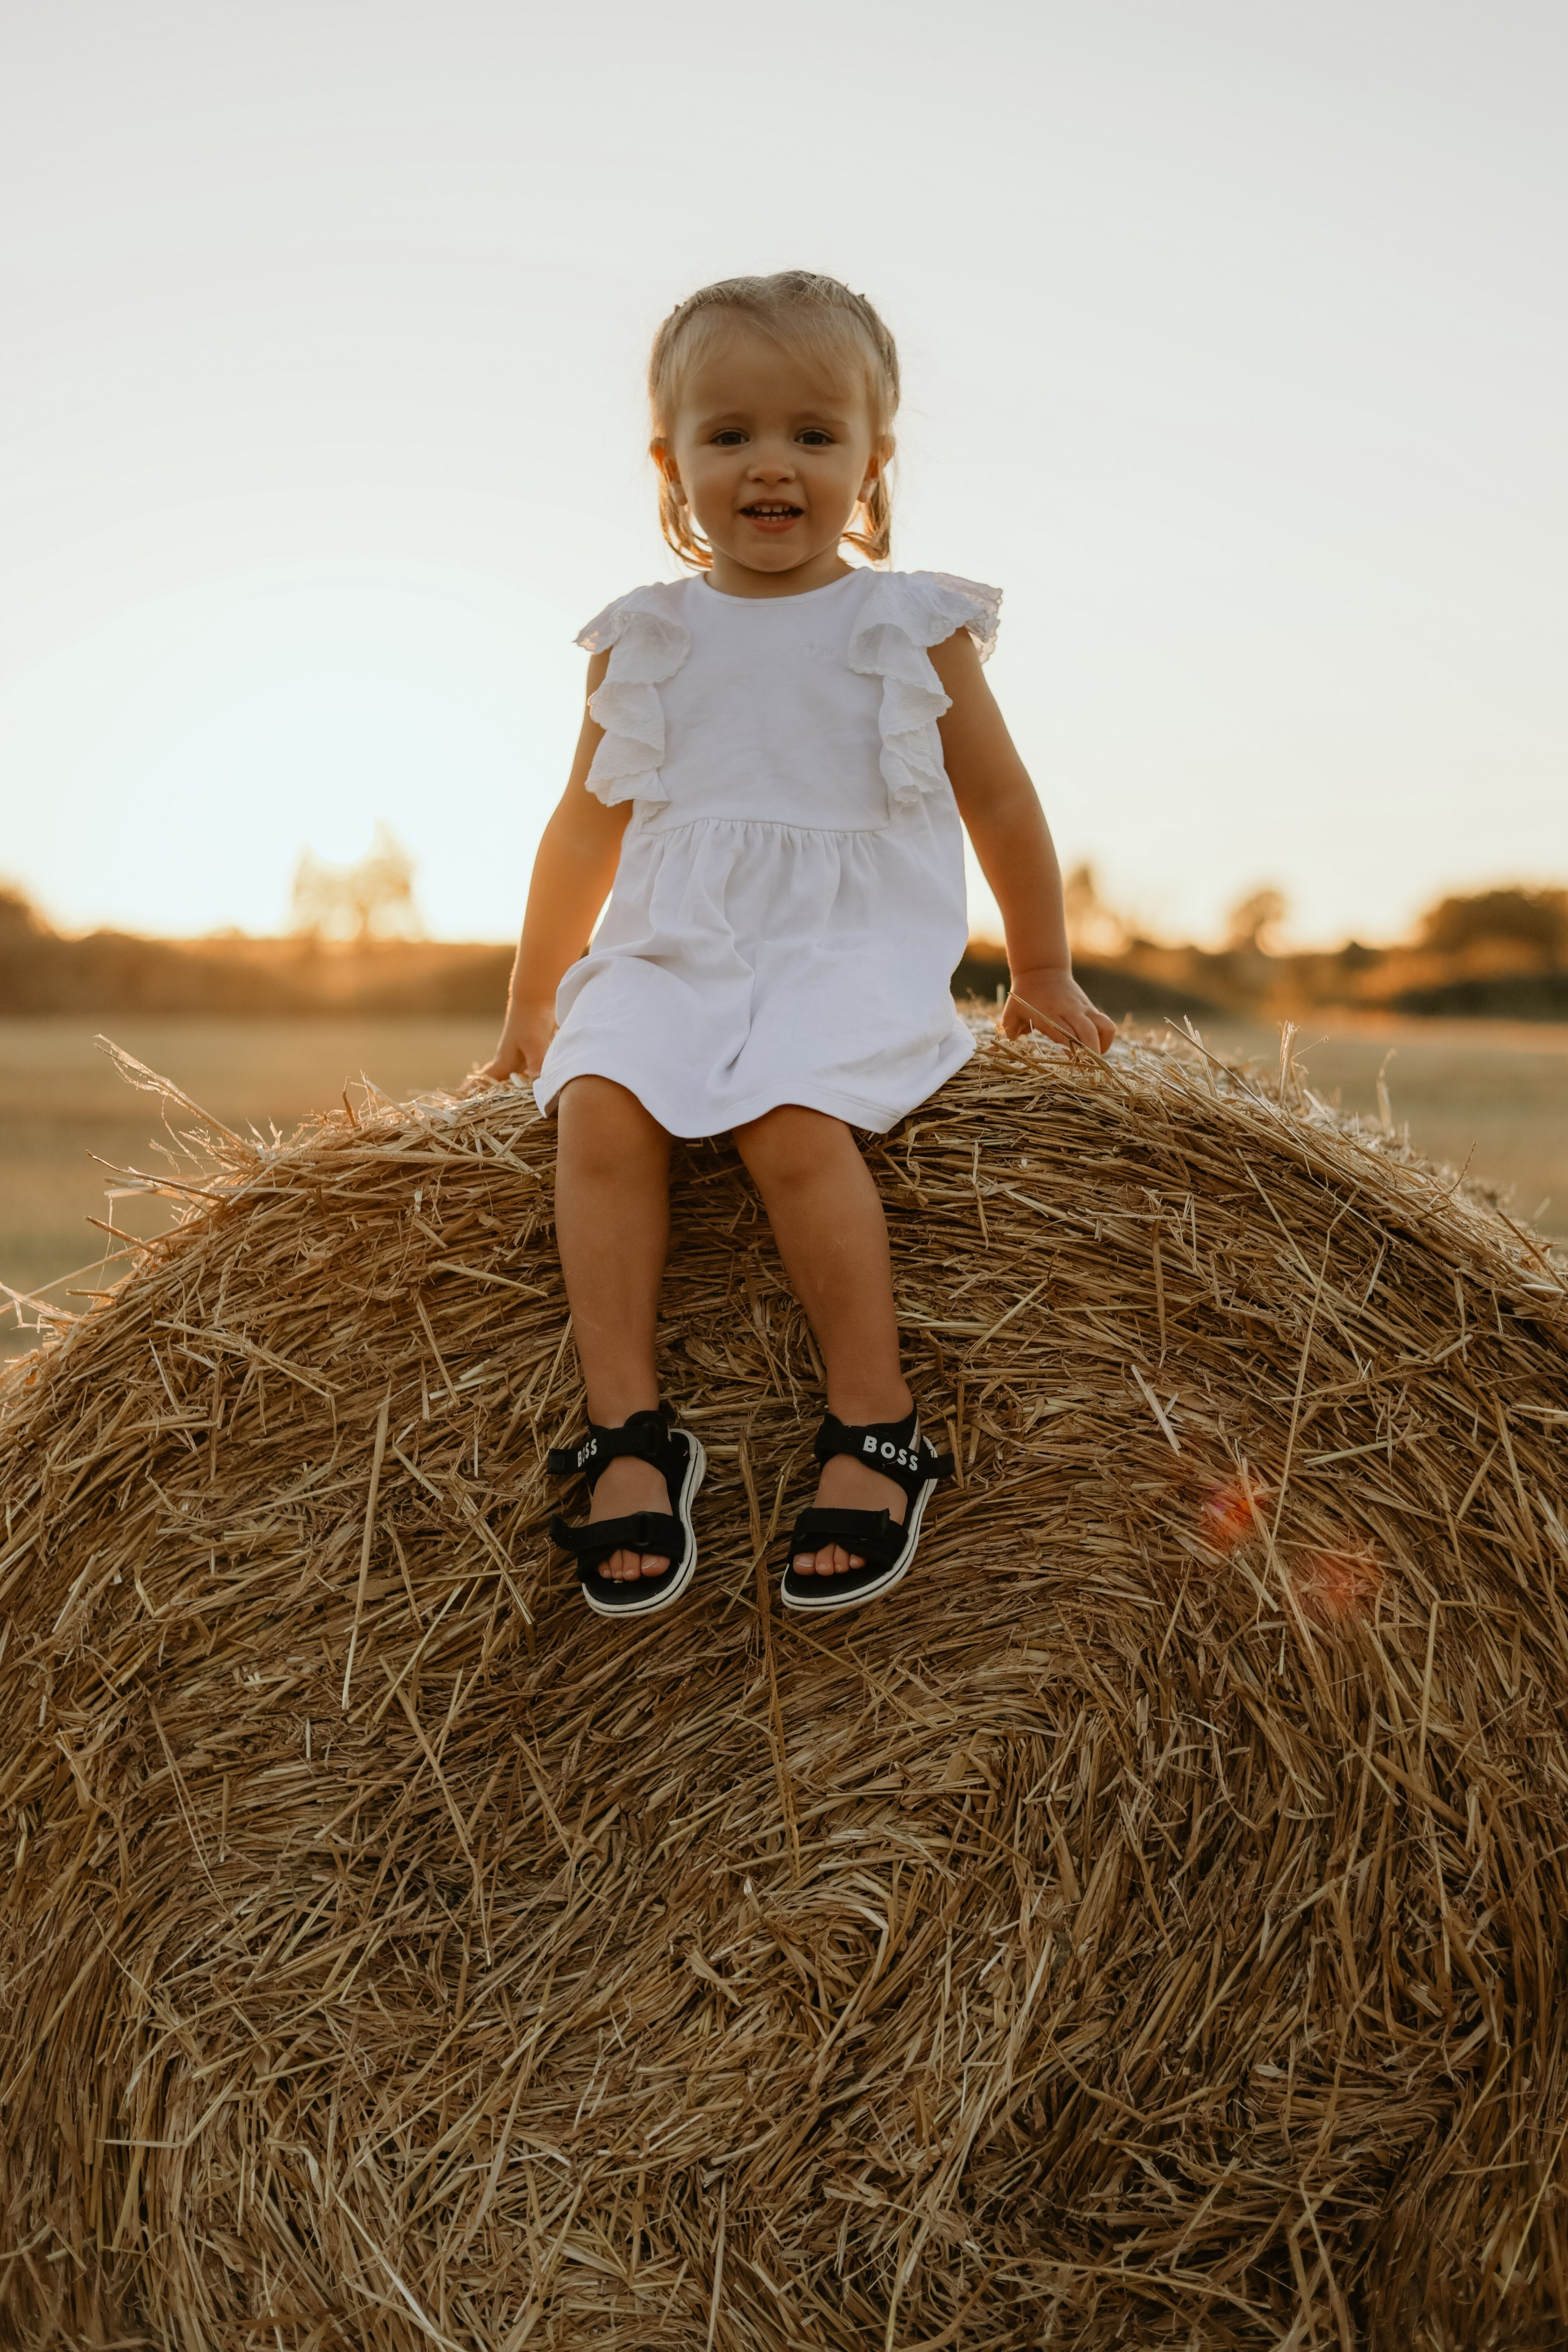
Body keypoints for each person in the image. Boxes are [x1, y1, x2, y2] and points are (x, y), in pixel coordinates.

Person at [483, 271, 1114, 1621]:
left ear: (871, 460)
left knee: (786, 1116)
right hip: (672, 947)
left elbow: (998, 799)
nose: (771, 466)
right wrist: (536, 996)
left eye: (813, 436)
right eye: (729, 435)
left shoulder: (909, 624)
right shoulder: (643, 639)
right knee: (597, 1105)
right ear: (672, 462)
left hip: (845, 950)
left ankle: (873, 1423)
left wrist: (1041, 966)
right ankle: (628, 1436)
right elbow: (581, 832)